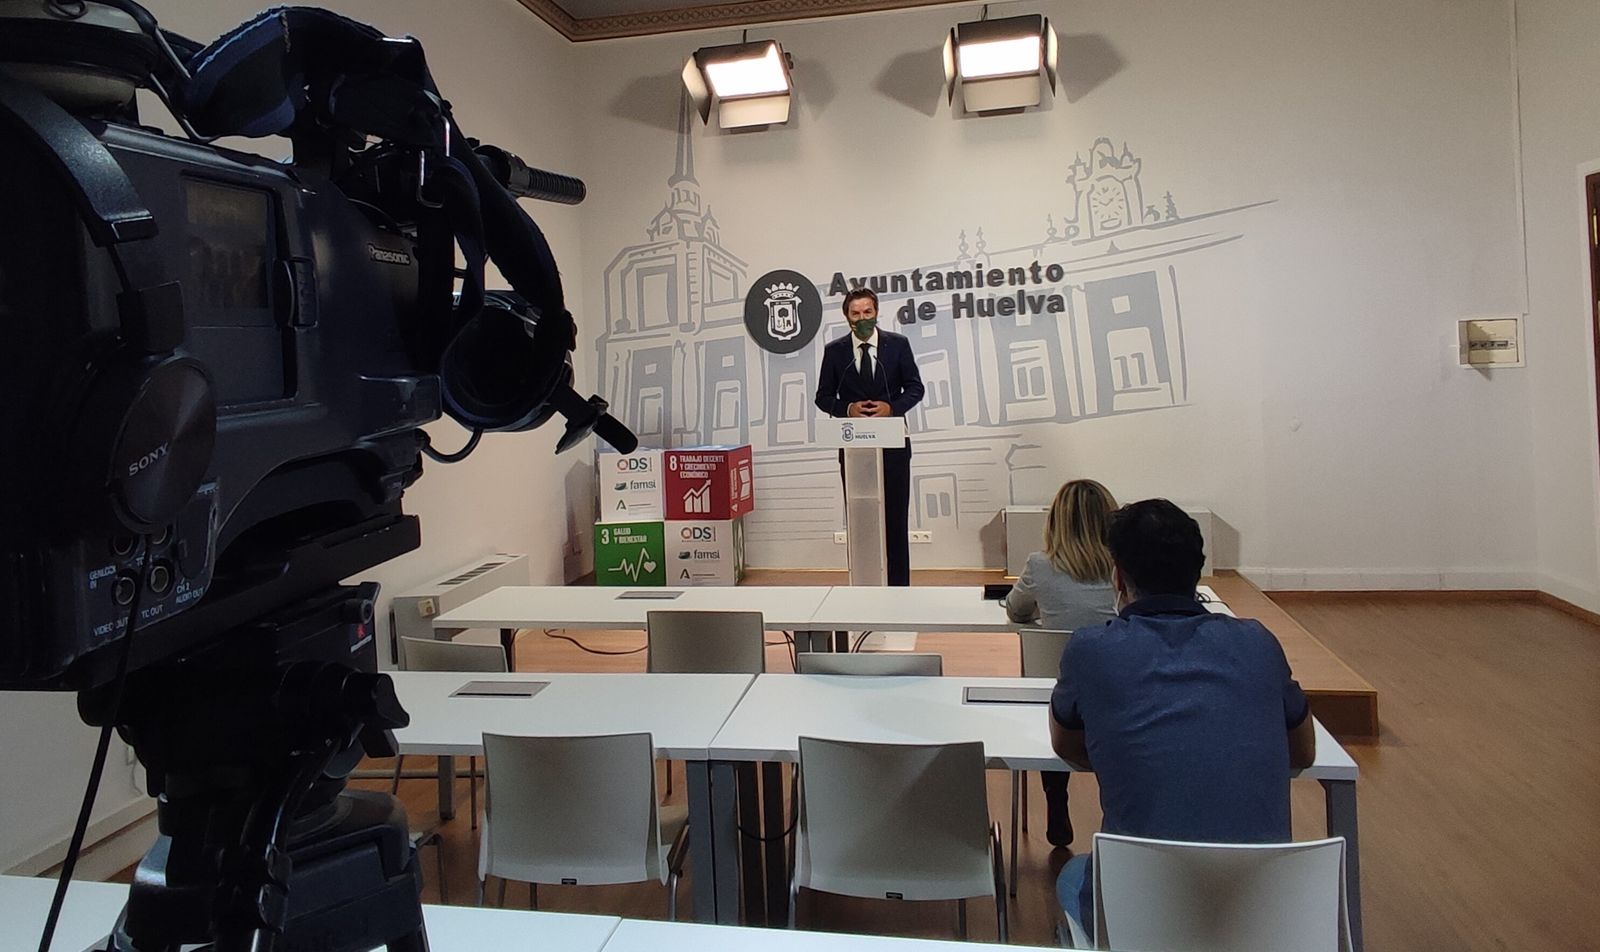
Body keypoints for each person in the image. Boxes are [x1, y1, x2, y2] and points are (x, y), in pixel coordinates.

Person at [1048, 499, 1317, 936]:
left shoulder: (1090, 650)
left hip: (1141, 915)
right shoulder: (1258, 643)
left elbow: (1066, 746)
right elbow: (1303, 750)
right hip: (1261, 914)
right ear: (1198, 570)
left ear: (1118, 576)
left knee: (1071, 874)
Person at [1002, 479, 1119, 848]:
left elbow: (1016, 610)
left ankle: (1056, 799)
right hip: (1116, 689)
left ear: (1056, 521)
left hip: (1054, 690)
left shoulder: (1040, 565)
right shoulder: (1122, 567)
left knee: (1059, 704)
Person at [814, 287, 925, 586]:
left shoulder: (897, 345)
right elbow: (823, 397)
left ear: (876, 313)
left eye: (867, 312)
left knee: (895, 520)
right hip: (855, 451)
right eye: (856, 313)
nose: (862, 318)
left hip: (893, 447)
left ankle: (899, 589)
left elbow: (915, 387)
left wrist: (892, 408)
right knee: (861, 521)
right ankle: (863, 587)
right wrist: (847, 409)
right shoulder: (835, 351)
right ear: (846, 317)